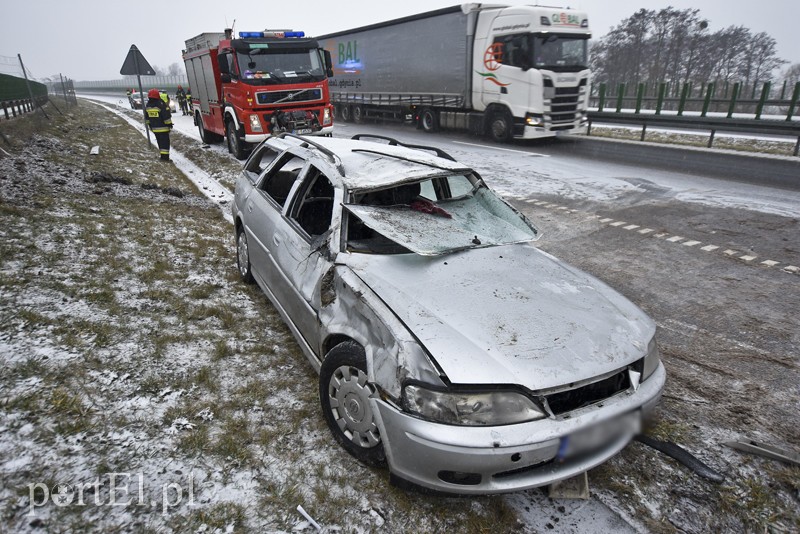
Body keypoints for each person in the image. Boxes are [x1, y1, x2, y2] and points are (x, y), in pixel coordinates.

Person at [145, 88, 173, 161]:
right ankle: (165, 158)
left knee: (160, 142)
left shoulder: (148, 105)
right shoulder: (160, 104)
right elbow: (165, 115)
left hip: (154, 129)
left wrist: (150, 126)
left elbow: (147, 118)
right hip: (163, 128)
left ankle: (162, 157)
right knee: (165, 143)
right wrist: (169, 124)